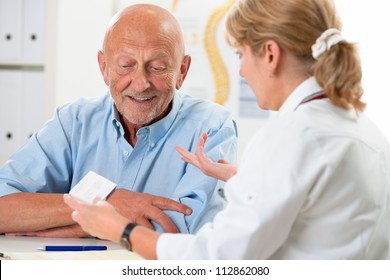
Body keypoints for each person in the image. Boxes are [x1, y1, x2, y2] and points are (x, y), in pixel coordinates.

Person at [64, 0, 390, 259]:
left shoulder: (291, 137)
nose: (243, 71)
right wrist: (246, 178)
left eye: (241, 54)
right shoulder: (359, 124)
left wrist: (119, 229)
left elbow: (219, 259)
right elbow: (326, 210)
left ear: (271, 54)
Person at [0, 4, 237, 237]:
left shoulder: (211, 127)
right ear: (104, 68)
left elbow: (185, 231)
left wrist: (78, 222)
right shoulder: (73, 121)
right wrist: (107, 202)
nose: (141, 83)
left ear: (182, 71)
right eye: (126, 66)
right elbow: (4, 207)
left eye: (157, 67)